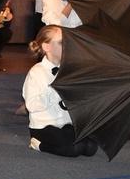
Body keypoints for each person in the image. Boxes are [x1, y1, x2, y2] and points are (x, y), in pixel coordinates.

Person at [22, 25, 98, 157]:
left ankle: (67, 139)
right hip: (44, 126)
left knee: (91, 147)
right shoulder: (36, 73)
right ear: (47, 47)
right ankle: (38, 144)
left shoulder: (67, 69)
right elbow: (32, 106)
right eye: (61, 42)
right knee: (74, 149)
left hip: (65, 122)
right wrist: (54, 89)